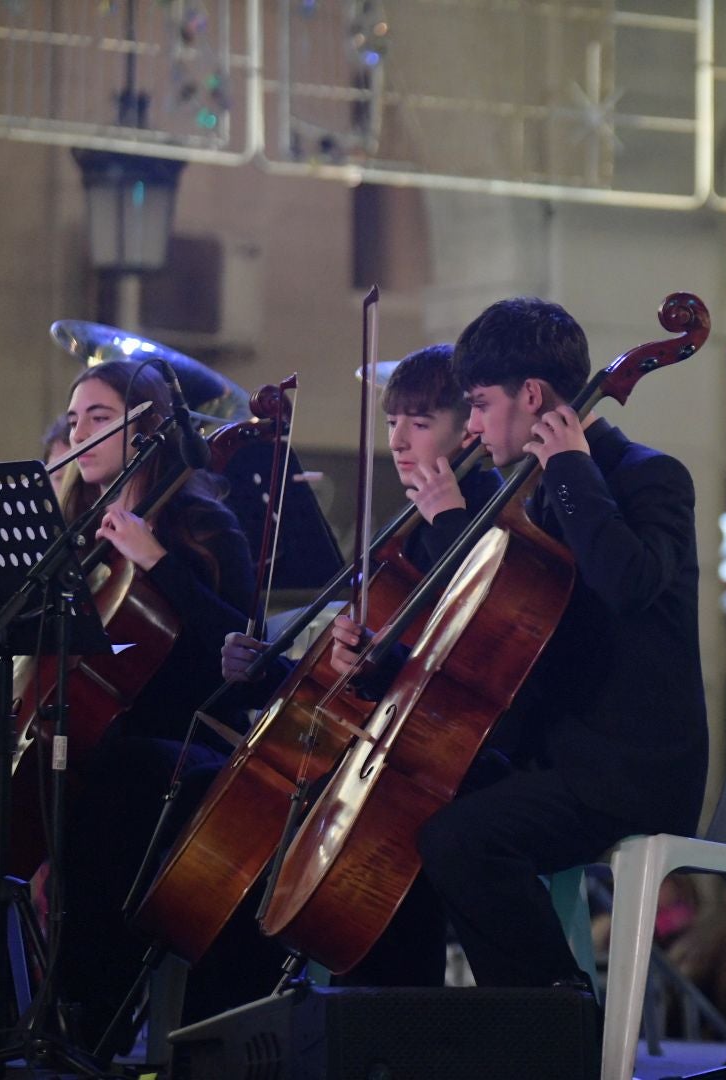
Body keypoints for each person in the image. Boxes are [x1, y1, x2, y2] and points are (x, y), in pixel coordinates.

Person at [410, 296, 709, 989]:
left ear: (534, 395)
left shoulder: (648, 477)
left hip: (631, 771)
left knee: (461, 840)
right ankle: (411, 1025)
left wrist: (573, 470)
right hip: (558, 760)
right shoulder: (532, 496)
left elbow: (629, 583)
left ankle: (555, 1027)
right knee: (413, 813)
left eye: (480, 405)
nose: (475, 429)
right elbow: (499, 633)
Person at [219, 341, 503, 988]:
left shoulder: (479, 508)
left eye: (421, 423)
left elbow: (469, 643)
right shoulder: (414, 521)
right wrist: (267, 672)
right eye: (392, 421)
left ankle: (380, 1022)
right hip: (401, 735)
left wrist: (445, 522)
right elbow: (375, 664)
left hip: (458, 748)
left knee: (352, 814)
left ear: (469, 432)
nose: (399, 440)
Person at [48, 360, 269, 1049]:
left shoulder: (203, 523)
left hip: (187, 742)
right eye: (76, 418)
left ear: (146, 429)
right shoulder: (79, 525)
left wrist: (157, 563)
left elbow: (242, 660)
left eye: (100, 419)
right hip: (98, 732)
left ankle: (89, 1027)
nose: (81, 433)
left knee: (115, 784)